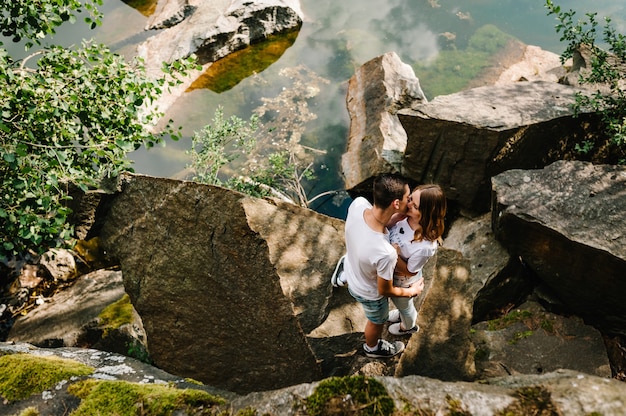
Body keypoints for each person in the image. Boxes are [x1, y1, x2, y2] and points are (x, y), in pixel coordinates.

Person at [337, 173, 422, 358]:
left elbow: (375, 225)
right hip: (368, 293)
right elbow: (384, 290)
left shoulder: (358, 204)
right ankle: (373, 348)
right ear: (396, 204)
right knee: (377, 321)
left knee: (356, 257)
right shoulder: (386, 253)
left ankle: (342, 273)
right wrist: (410, 292)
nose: (410, 201)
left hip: (353, 266)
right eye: (408, 198)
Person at [386, 184, 447, 336]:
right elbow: (386, 226)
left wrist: (395, 255)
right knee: (397, 302)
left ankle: (408, 325)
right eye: (410, 199)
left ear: (425, 214)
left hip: (403, 279)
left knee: (404, 305)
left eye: (415, 206)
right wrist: (395, 218)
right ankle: (401, 313)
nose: (408, 205)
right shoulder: (405, 216)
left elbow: (410, 271)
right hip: (390, 268)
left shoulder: (425, 246)